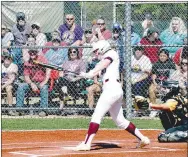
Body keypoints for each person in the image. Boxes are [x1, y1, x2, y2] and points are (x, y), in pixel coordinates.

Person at [75, 40, 150, 151]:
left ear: (102, 48)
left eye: (96, 51)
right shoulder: (105, 58)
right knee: (120, 120)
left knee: (96, 115)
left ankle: (86, 143)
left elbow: (102, 65)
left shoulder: (111, 54)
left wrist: (89, 73)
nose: (96, 54)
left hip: (111, 89)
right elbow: (99, 69)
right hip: (113, 89)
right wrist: (84, 74)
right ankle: (143, 138)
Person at [149, 56, 188, 142]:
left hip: (185, 125)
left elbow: (164, 107)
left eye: (167, 88)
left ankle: (185, 135)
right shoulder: (178, 96)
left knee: (162, 136)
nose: (164, 90)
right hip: (183, 123)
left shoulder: (173, 99)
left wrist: (150, 105)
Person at [13, 49, 51, 116]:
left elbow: (48, 69)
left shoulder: (41, 58)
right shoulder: (27, 62)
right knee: (21, 86)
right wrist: (31, 84)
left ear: (37, 52)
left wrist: (44, 82)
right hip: (32, 82)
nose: (32, 53)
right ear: (29, 53)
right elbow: (26, 76)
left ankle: (43, 110)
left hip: (42, 82)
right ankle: (19, 110)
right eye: (31, 52)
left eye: (34, 52)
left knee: (44, 88)